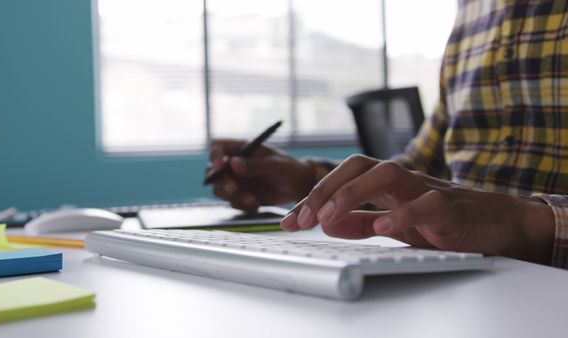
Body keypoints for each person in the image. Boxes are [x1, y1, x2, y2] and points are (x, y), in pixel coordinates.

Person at [205, 0, 568, 269]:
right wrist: (306, 180)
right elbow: (416, 172)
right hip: (460, 278)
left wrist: (528, 224)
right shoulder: (472, 10)